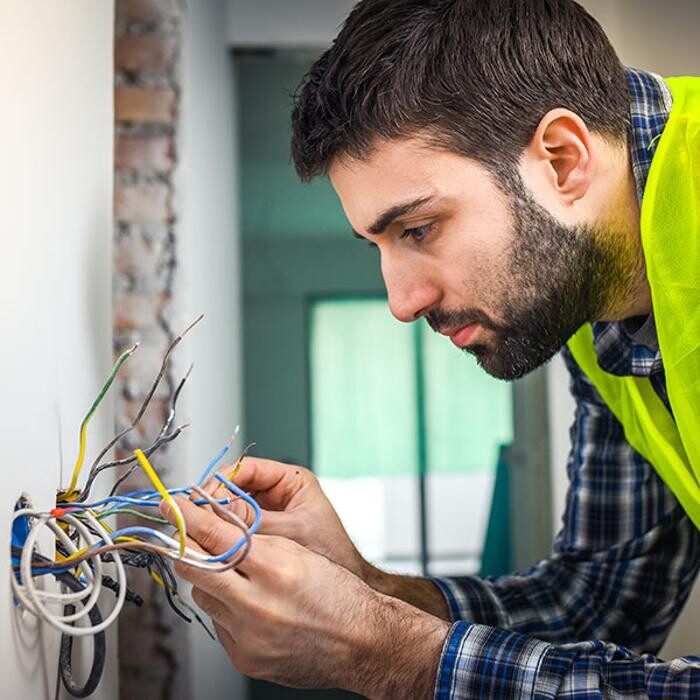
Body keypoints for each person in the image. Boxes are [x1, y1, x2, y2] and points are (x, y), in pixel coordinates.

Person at [161, 1, 700, 696]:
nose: (401, 302)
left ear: (563, 160)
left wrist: (386, 653)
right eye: (379, 246)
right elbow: (600, 602)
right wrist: (367, 590)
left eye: (417, 229)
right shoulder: (591, 282)